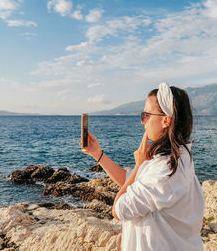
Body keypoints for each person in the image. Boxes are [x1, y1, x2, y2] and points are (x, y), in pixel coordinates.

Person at [80, 82, 205, 251]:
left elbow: (118, 210)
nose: (142, 122)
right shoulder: (175, 158)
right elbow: (130, 182)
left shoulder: (166, 170)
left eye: (146, 115)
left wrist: (139, 165)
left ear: (165, 121)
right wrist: (98, 155)